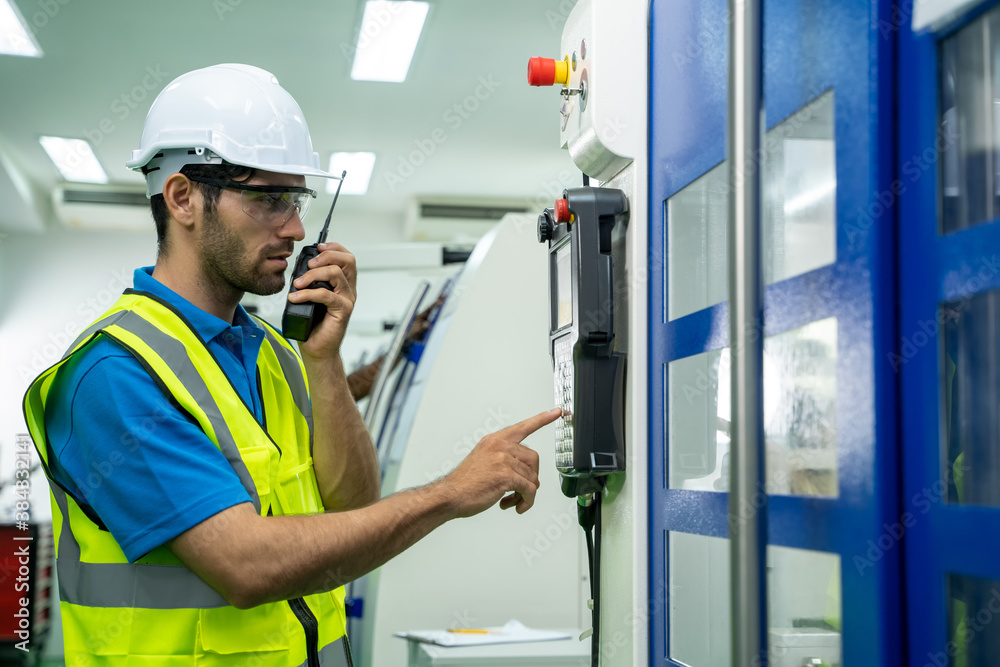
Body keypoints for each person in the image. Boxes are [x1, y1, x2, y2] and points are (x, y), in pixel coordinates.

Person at [22, 63, 558, 667]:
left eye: (296, 199)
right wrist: (448, 494)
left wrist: (323, 360)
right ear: (183, 198)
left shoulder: (279, 355)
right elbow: (246, 566)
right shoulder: (115, 374)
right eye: (269, 198)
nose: (296, 227)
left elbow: (354, 508)